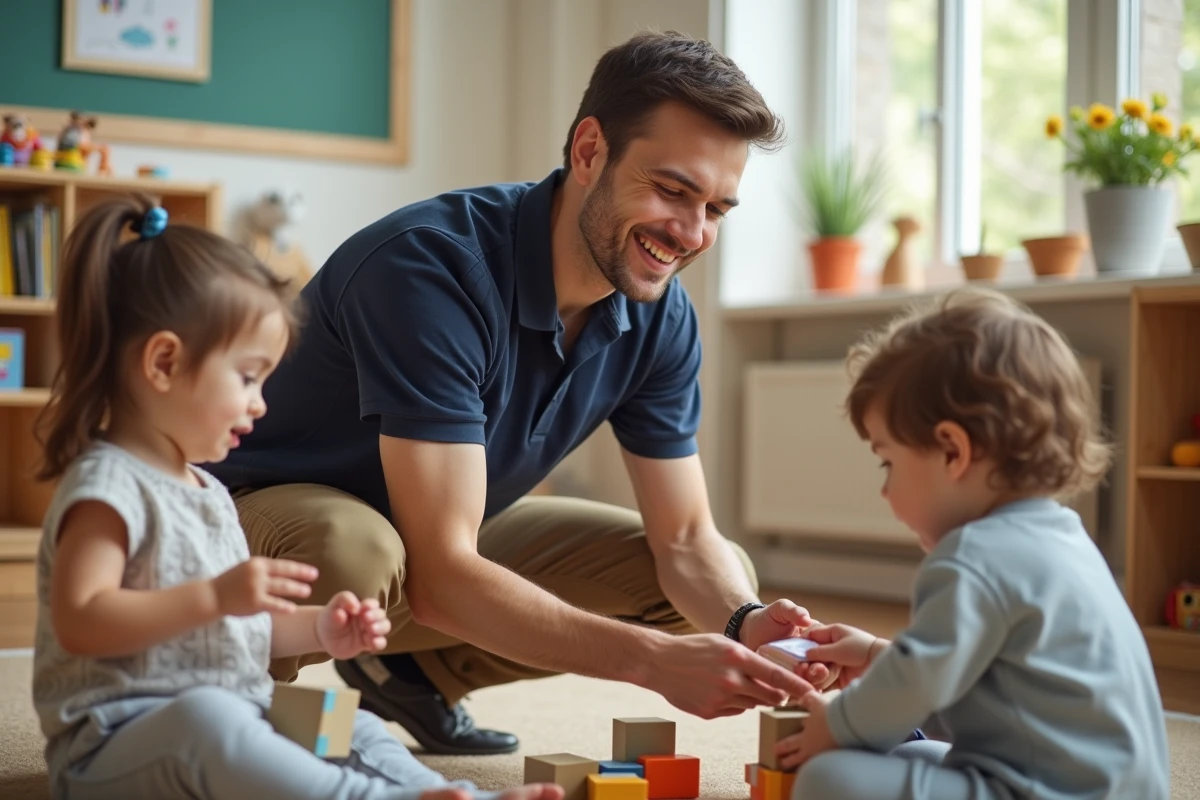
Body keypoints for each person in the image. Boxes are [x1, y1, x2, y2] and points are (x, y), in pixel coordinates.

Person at [207, 29, 829, 755]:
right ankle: (210, 703)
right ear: (590, 151)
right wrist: (651, 664)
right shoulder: (431, 269)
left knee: (711, 584)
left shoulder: (659, 315)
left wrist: (750, 624)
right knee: (353, 551)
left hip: (433, 543)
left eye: (717, 209)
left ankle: (413, 673)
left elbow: (685, 537)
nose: (691, 233)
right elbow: (440, 576)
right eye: (672, 190)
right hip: (249, 528)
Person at [30, 195, 565, 800]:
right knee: (212, 726)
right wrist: (213, 596)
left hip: (227, 705)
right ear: (164, 362)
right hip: (117, 740)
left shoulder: (204, 489)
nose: (260, 403)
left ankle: (437, 793)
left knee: (350, 723)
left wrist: (321, 629)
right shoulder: (108, 489)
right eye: (248, 376)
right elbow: (82, 621)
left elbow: (243, 631)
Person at [774, 289, 1170, 800]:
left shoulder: (972, 558)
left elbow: (917, 683)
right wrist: (877, 655)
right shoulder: (1063, 538)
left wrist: (835, 726)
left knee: (828, 777)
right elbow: (967, 677)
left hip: (1038, 790)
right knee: (909, 751)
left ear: (952, 451)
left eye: (888, 462)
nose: (885, 489)